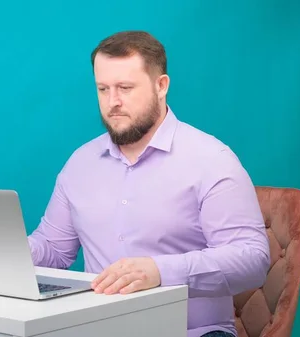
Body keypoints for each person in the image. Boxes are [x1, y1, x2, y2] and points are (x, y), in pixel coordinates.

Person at [27, 30, 270, 337]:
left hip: (193, 332)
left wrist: (160, 272)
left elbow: (252, 259)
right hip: (98, 330)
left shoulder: (212, 159)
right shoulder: (80, 163)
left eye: (125, 88)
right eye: (103, 89)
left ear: (161, 86)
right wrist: (4, 252)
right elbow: (53, 249)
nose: (112, 102)